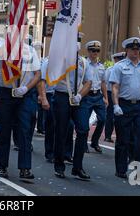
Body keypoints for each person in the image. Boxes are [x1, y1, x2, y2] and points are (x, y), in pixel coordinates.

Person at [0, 34, 41, 180]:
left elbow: (37, 74)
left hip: (24, 94)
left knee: (25, 130)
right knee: (5, 130)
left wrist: (26, 88)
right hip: (6, 93)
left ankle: (25, 168)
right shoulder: (3, 49)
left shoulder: (31, 51)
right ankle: (2, 166)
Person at [109, 37, 140, 182]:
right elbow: (115, 87)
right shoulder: (119, 66)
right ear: (127, 50)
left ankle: (139, 171)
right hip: (124, 105)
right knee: (123, 139)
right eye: (132, 49)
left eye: (137, 50)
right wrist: (116, 104)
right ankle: (121, 169)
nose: (135, 52)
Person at [51, 42, 92, 180]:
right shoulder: (59, 60)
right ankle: (59, 166)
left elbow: (88, 82)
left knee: (83, 129)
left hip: (79, 99)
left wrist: (80, 95)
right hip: (62, 96)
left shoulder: (84, 63)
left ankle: (77, 167)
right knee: (62, 131)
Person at [84, 41, 108, 153]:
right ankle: (83, 143)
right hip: (87, 95)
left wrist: (106, 97)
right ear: (88, 51)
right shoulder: (83, 64)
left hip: (98, 95)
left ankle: (94, 141)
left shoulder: (101, 66)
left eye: (97, 51)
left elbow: (103, 83)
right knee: (84, 122)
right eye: (93, 50)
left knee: (102, 119)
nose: (95, 53)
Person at [104, 52, 126, 142]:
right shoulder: (110, 70)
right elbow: (104, 83)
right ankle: (108, 135)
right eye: (119, 59)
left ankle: (119, 136)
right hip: (110, 93)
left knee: (120, 116)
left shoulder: (123, 69)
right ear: (115, 59)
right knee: (110, 116)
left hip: (121, 95)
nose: (121, 61)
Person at [38, 56, 56, 163]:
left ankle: (65, 153)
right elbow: (42, 81)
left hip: (63, 95)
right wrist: (43, 97)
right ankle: (50, 153)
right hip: (50, 94)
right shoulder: (48, 62)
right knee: (51, 125)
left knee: (68, 125)